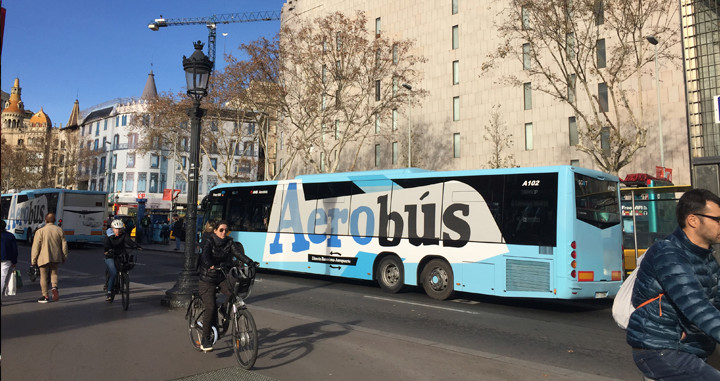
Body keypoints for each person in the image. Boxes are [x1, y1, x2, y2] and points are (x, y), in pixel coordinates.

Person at [627, 189, 720, 380]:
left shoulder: (707, 259)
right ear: (693, 220)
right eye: (717, 219)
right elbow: (696, 306)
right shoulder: (668, 254)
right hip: (660, 349)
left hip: (689, 347)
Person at [197, 220, 257, 352]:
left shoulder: (229, 242)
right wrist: (209, 265)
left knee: (234, 294)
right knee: (211, 307)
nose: (224, 232)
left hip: (221, 276)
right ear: (215, 231)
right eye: (221, 230)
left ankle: (224, 310)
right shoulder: (210, 241)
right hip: (207, 279)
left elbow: (238, 254)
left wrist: (250, 262)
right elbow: (205, 255)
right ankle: (205, 339)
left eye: (226, 230)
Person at [30, 213, 69, 303]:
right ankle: (54, 287)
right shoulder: (59, 230)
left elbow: (36, 247)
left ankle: (45, 296)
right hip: (56, 256)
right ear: (54, 220)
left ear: (45, 220)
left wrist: (33, 260)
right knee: (54, 273)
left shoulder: (40, 231)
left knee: (43, 276)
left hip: (43, 257)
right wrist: (64, 256)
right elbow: (64, 245)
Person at [103, 219, 142, 302]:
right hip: (110, 255)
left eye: (119, 229)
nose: (117, 231)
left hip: (120, 254)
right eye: (116, 229)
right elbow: (106, 245)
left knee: (126, 265)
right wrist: (107, 250)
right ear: (112, 228)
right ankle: (109, 293)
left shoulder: (123, 235)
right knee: (113, 272)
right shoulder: (109, 235)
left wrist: (137, 246)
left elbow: (129, 241)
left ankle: (124, 278)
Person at [1, 220, 19, 299]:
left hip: (5, 259)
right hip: (6, 260)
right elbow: (14, 250)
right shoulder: (10, 236)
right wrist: (14, 261)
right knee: (2, 278)